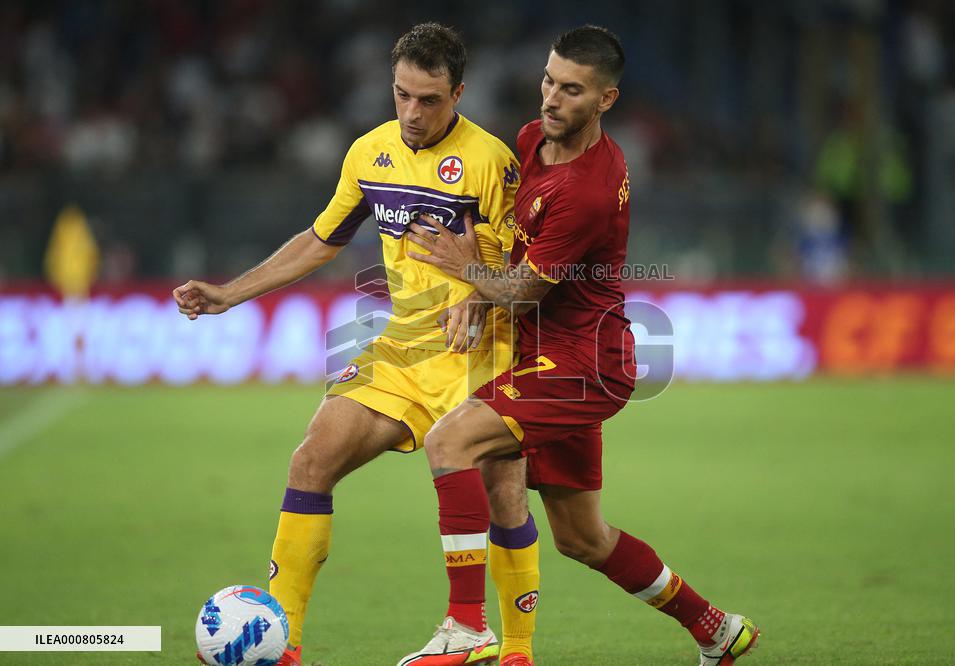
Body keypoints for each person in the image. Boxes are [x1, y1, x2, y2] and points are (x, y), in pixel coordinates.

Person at [175, 23, 534, 666]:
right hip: (402, 348)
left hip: (478, 351)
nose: (412, 112)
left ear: (458, 92)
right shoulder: (370, 153)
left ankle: (514, 650)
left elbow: (517, 266)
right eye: (401, 95)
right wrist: (232, 293)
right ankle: (285, 646)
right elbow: (321, 239)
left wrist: (478, 296)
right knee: (311, 461)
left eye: (429, 99)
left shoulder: (491, 161)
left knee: (504, 496)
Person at [406, 25, 759, 666]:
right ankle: (716, 628)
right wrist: (479, 291)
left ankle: (467, 626)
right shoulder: (532, 140)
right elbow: (515, 256)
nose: (551, 98)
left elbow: (522, 290)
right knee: (582, 538)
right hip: (554, 354)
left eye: (572, 90)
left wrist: (467, 273)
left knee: (449, 441)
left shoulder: (588, 192)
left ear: (606, 100)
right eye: (548, 80)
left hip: (583, 364)